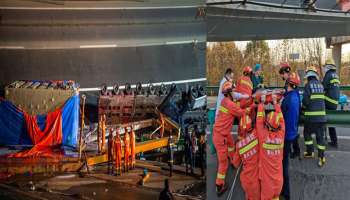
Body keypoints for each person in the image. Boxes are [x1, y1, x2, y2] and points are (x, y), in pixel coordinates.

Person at [213, 81, 249, 196]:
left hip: (223, 133)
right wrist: (252, 105)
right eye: (233, 91)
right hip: (221, 137)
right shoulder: (230, 104)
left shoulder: (225, 101)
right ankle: (219, 185)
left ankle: (233, 160)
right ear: (229, 93)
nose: (235, 92)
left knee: (231, 144)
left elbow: (234, 106)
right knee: (223, 163)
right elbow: (242, 113)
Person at [256, 94, 285, 200]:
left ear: (267, 125)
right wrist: (276, 103)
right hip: (278, 182)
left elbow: (259, 121)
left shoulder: (263, 136)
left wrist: (262, 103)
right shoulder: (281, 134)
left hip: (267, 183)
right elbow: (281, 119)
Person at [281, 72, 301, 200]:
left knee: (283, 164)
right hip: (292, 132)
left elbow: (284, 118)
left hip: (286, 135)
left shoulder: (289, 99)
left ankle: (285, 192)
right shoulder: (295, 95)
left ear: (289, 84)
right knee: (284, 161)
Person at [302, 65, 327, 167]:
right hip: (322, 118)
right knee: (320, 137)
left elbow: (306, 101)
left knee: (307, 133)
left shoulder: (308, 86)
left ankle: (310, 152)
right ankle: (321, 157)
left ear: (308, 76)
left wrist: (303, 107)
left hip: (311, 118)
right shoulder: (321, 85)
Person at [233, 114, 260, 200]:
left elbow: (235, 164)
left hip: (247, 180)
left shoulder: (239, 145)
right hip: (257, 180)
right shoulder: (257, 135)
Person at [279, 62, 301, 159]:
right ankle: (296, 151)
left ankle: (293, 151)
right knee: (294, 130)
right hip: (295, 107)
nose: (281, 76)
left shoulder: (290, 80)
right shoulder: (291, 79)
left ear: (285, 72)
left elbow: (290, 93)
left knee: (291, 129)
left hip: (292, 108)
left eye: (282, 74)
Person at [322, 59, 340, 147]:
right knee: (331, 122)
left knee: (320, 117)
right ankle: (334, 141)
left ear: (328, 67)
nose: (324, 68)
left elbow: (322, 88)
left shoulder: (328, 75)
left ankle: (321, 139)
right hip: (335, 103)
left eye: (325, 66)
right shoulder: (336, 75)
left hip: (328, 101)